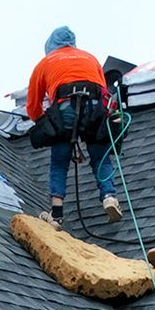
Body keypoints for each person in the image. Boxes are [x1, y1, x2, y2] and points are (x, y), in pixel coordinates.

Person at [25, 25, 122, 225]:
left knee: (59, 161)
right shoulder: (90, 58)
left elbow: (33, 105)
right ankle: (109, 198)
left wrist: (44, 124)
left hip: (64, 108)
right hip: (95, 107)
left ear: (50, 46)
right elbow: (104, 91)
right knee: (100, 156)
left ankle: (57, 213)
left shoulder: (45, 63)